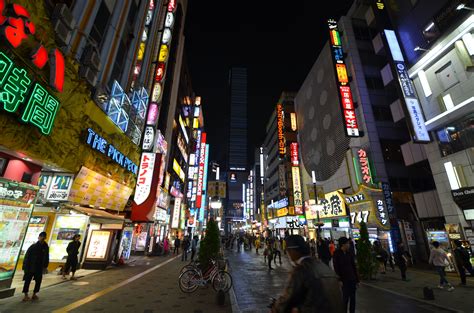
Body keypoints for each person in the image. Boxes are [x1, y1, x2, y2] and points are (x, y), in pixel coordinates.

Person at [271, 235, 343, 313]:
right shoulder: (323, 266)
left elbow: (287, 299)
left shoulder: (301, 270)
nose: (288, 254)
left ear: (293, 250)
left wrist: (276, 308)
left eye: (288, 250)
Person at [333, 236, 359, 313]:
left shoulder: (349, 253)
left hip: (352, 278)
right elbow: (336, 267)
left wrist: (357, 280)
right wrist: (339, 279)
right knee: (345, 298)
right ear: (343, 244)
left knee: (353, 298)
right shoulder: (337, 254)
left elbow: (353, 266)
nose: (349, 245)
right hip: (344, 280)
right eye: (347, 243)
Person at [22, 232, 49, 301]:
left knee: (38, 281)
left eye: (44, 236)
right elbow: (27, 256)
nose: (42, 238)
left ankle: (34, 294)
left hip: (39, 267)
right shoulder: (33, 246)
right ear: (38, 237)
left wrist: (45, 266)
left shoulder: (46, 247)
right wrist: (25, 266)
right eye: (41, 236)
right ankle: (25, 295)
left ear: (45, 238)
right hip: (30, 266)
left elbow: (46, 257)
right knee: (27, 280)